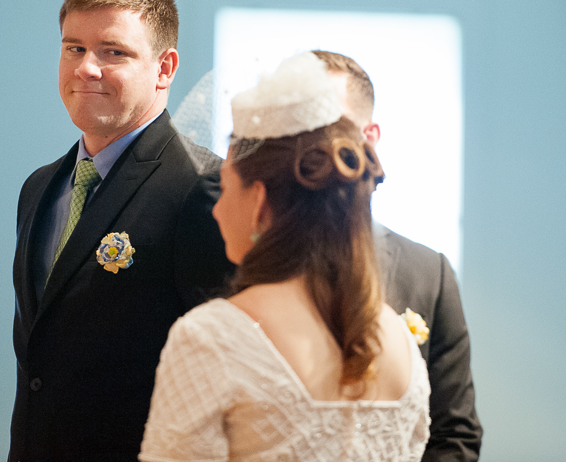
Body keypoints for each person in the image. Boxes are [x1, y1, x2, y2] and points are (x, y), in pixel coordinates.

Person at [140, 52, 431, 461]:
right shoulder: (399, 339)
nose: (218, 209)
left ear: (259, 200)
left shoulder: (212, 338)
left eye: (225, 189)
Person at [9, 0, 234, 461]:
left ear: (164, 68)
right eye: (74, 48)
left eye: (114, 52)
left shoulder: (207, 191)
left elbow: (224, 374)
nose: (87, 68)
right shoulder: (40, 188)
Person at [312, 49, 483, 462]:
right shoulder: (237, 257)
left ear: (369, 137)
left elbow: (454, 432)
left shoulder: (429, 274)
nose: (308, 146)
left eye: (326, 126)